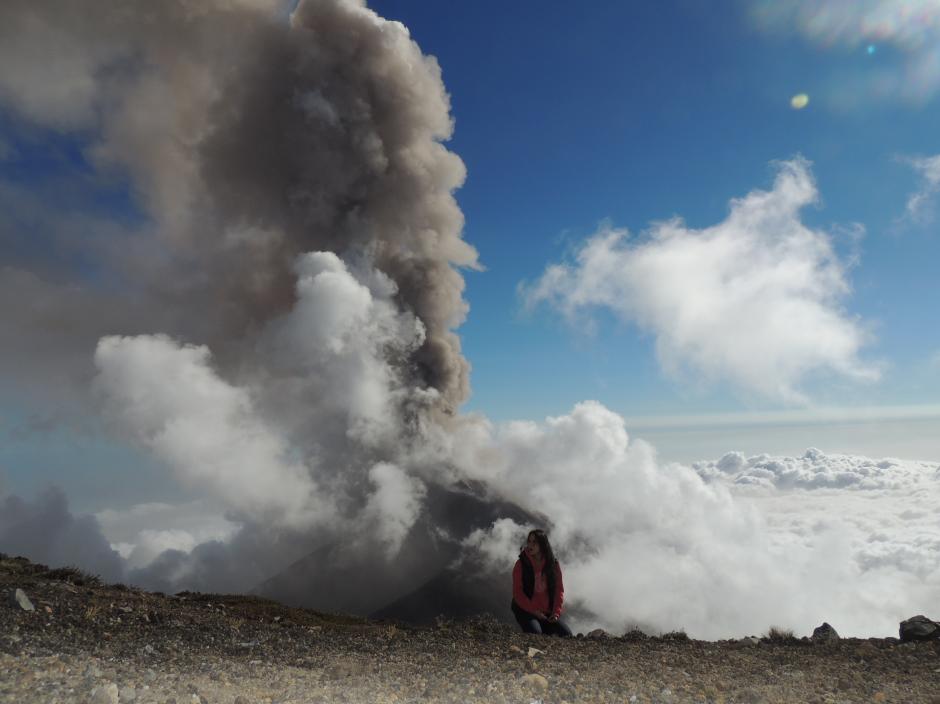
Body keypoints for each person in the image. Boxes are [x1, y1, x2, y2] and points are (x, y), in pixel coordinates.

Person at [510, 529, 572, 636]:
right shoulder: (521, 564)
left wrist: (556, 614)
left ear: (543, 545)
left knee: (567, 635)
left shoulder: (553, 565)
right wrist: (534, 611)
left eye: (534, 542)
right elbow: (518, 593)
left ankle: (544, 627)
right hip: (525, 610)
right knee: (536, 634)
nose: (530, 545)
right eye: (529, 541)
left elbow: (558, 590)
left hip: (547, 612)